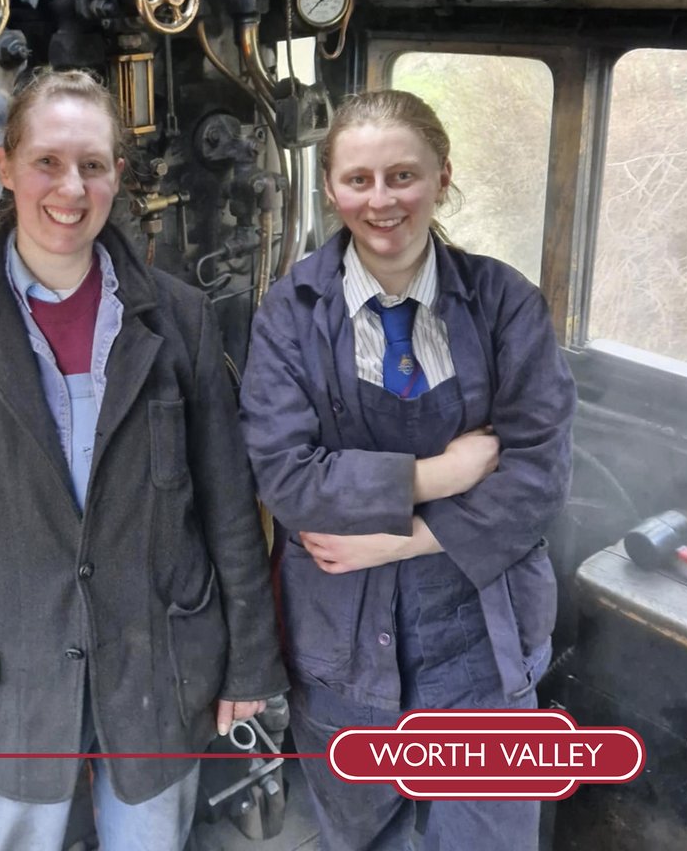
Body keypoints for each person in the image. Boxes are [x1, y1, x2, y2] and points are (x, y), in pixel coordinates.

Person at [0, 68, 286, 851]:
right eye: (48, 162)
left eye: (92, 164)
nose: (70, 187)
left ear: (119, 176)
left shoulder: (179, 315)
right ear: (6, 169)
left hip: (156, 672)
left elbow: (228, 503)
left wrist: (251, 661)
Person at [240, 89, 575, 851]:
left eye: (403, 176)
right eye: (358, 180)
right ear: (329, 188)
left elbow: (538, 475)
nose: (381, 200)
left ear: (442, 176)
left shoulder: (504, 305)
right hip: (338, 646)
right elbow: (289, 479)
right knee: (360, 837)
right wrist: (445, 474)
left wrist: (403, 539)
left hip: (480, 644)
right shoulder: (288, 314)